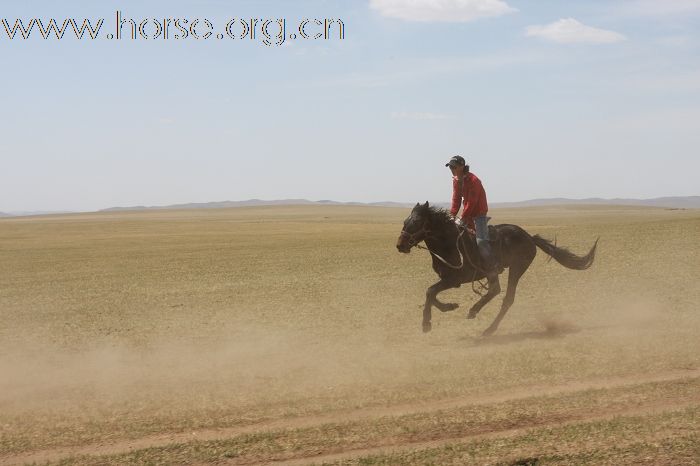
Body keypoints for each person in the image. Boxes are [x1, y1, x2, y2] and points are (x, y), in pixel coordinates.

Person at [445, 155, 500, 294]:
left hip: (478, 215)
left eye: (454, 166)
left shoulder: (474, 180)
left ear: (462, 166)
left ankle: (492, 268)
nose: (451, 169)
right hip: (467, 216)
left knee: (481, 242)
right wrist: (451, 215)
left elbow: (472, 201)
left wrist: (463, 217)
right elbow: (456, 199)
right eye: (450, 167)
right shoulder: (456, 181)